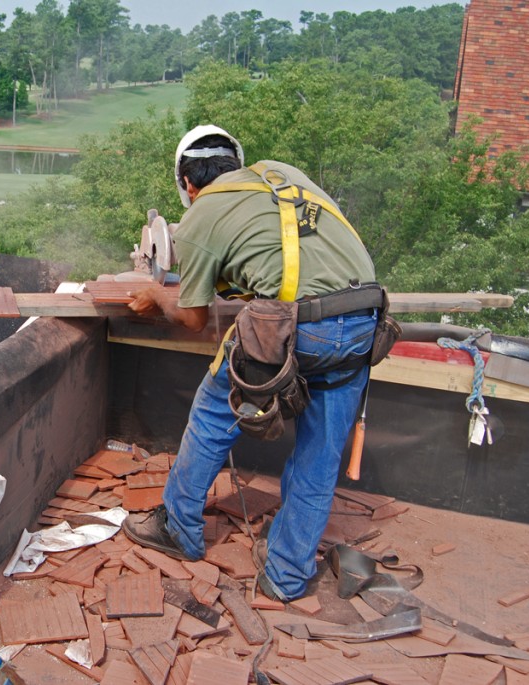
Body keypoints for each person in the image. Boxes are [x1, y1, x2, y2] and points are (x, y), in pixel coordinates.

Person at [122, 124, 380, 602]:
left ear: (188, 184)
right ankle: (287, 576)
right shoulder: (282, 175)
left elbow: (194, 319)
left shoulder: (202, 215)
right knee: (321, 453)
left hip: (299, 325)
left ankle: (178, 527)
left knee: (213, 411)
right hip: (366, 320)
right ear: (235, 163)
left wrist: (158, 296)